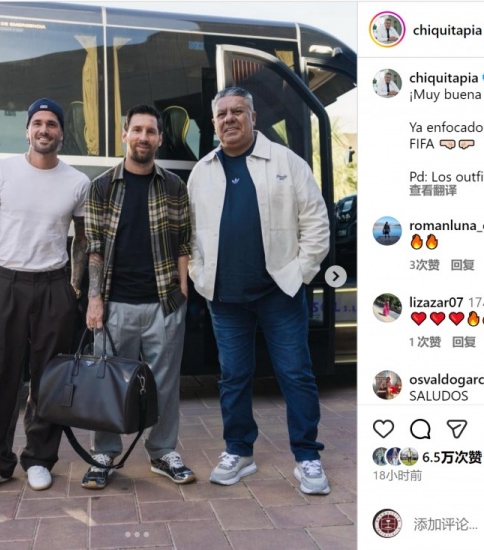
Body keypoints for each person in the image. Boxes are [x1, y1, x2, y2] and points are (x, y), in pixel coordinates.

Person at [187, 87, 331, 495]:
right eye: (221, 114)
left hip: (279, 292)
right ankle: (239, 451)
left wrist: (299, 274)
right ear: (213, 123)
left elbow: (316, 223)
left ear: (253, 117)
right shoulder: (202, 171)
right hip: (225, 297)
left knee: (295, 374)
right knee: (233, 377)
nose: (229, 119)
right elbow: (190, 234)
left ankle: (307, 456)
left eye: (238, 111)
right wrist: (199, 275)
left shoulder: (287, 162)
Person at [0, 98, 90, 497]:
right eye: (38, 123)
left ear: (61, 133)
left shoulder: (77, 182)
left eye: (52, 123)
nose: (44, 129)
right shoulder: (0, 170)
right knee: (0, 375)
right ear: (28, 130)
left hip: (53, 286)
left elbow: (82, 241)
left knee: (48, 378)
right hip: (6, 284)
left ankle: (39, 459)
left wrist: (74, 288)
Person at [82, 104, 195, 489]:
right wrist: (95, 299)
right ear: (125, 135)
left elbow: (184, 241)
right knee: (109, 382)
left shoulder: (174, 186)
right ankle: (104, 453)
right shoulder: (101, 186)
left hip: (164, 302)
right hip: (115, 304)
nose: (143, 137)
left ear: (159, 139)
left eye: (151, 131)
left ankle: (162, 451)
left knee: (165, 384)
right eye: (137, 130)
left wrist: (182, 288)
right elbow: (94, 247)